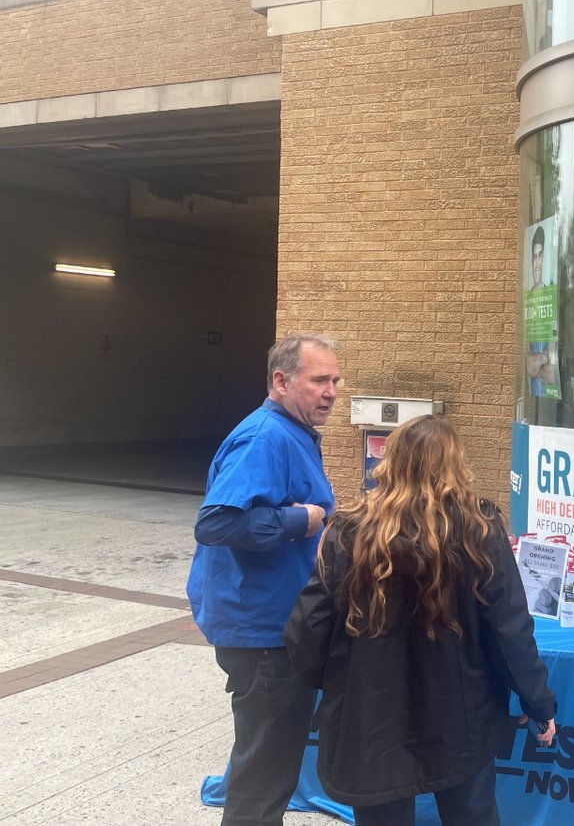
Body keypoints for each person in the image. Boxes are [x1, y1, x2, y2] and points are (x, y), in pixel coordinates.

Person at [284, 415, 557, 826]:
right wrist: (538, 701)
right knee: (472, 816)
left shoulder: (349, 528)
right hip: (460, 712)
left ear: (391, 461)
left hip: (371, 713)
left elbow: (308, 627)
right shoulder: (478, 529)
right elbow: (510, 631)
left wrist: (332, 684)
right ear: (455, 465)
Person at [186, 333, 341, 826]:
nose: (332, 391)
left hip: (276, 624)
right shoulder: (264, 438)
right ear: (281, 381)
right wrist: (300, 521)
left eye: (336, 380)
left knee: (272, 765)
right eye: (320, 380)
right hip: (262, 634)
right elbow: (215, 524)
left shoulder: (292, 432)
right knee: (263, 777)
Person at [525, 224, 559, 395]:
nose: (537, 263)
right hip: (534, 401)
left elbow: (552, 375)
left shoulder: (549, 302)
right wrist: (544, 359)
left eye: (540, 256)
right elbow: (527, 367)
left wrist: (534, 363)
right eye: (534, 257)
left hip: (545, 400)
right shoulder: (528, 301)